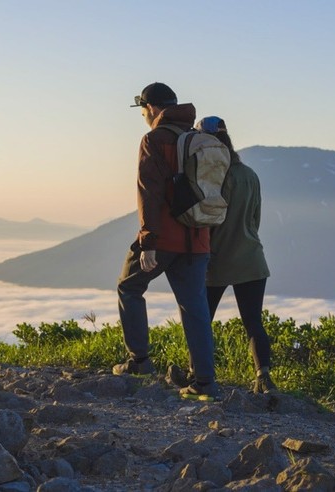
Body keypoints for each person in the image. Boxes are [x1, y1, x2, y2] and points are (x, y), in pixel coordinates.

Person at [113, 82, 221, 400]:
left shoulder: (154, 140)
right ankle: (205, 382)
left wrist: (148, 242)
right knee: (195, 307)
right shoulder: (201, 139)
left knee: (129, 286)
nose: (144, 117)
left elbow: (150, 193)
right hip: (199, 237)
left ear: (152, 108)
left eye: (143, 111)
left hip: (164, 238)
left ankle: (139, 361)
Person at [196, 116, 277, 394]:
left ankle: (197, 374)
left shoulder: (213, 176)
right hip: (251, 258)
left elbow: (206, 220)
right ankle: (263, 376)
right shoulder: (250, 174)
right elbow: (255, 219)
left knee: (201, 321)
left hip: (216, 260)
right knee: (253, 322)